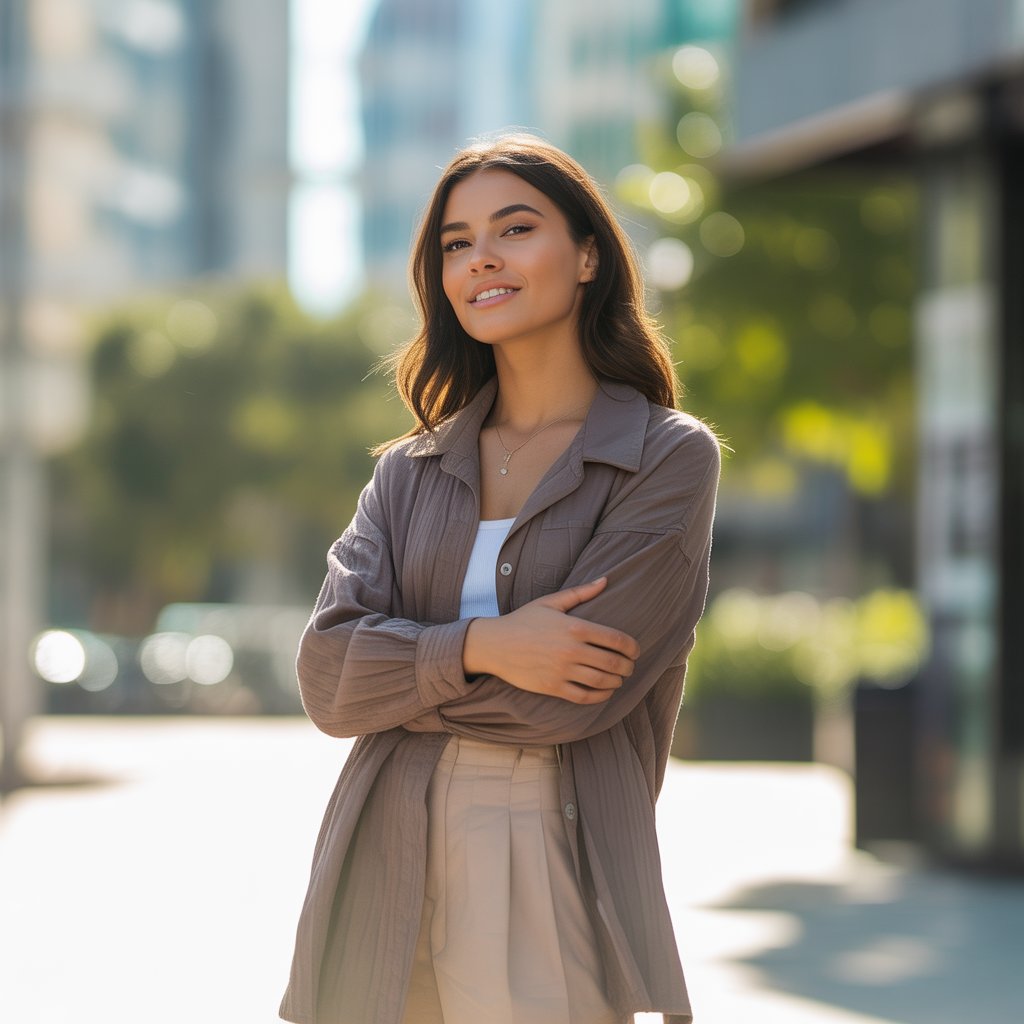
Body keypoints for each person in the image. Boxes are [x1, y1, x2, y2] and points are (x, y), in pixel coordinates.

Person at [279, 133, 720, 1024]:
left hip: (544, 842)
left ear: (588, 254)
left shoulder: (663, 459)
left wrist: (396, 678)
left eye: (515, 229)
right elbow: (327, 678)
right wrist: (487, 644)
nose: (480, 257)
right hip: (380, 853)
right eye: (455, 241)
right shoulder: (408, 471)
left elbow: (567, 702)